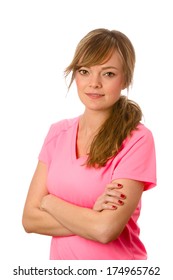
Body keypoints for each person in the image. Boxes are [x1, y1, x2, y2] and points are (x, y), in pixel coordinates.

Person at [22, 28, 156, 260]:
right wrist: (91, 215)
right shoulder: (57, 133)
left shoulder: (137, 139)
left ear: (126, 79)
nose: (94, 83)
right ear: (76, 75)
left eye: (108, 74)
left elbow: (105, 230)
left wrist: (49, 202)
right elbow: (29, 220)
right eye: (85, 71)